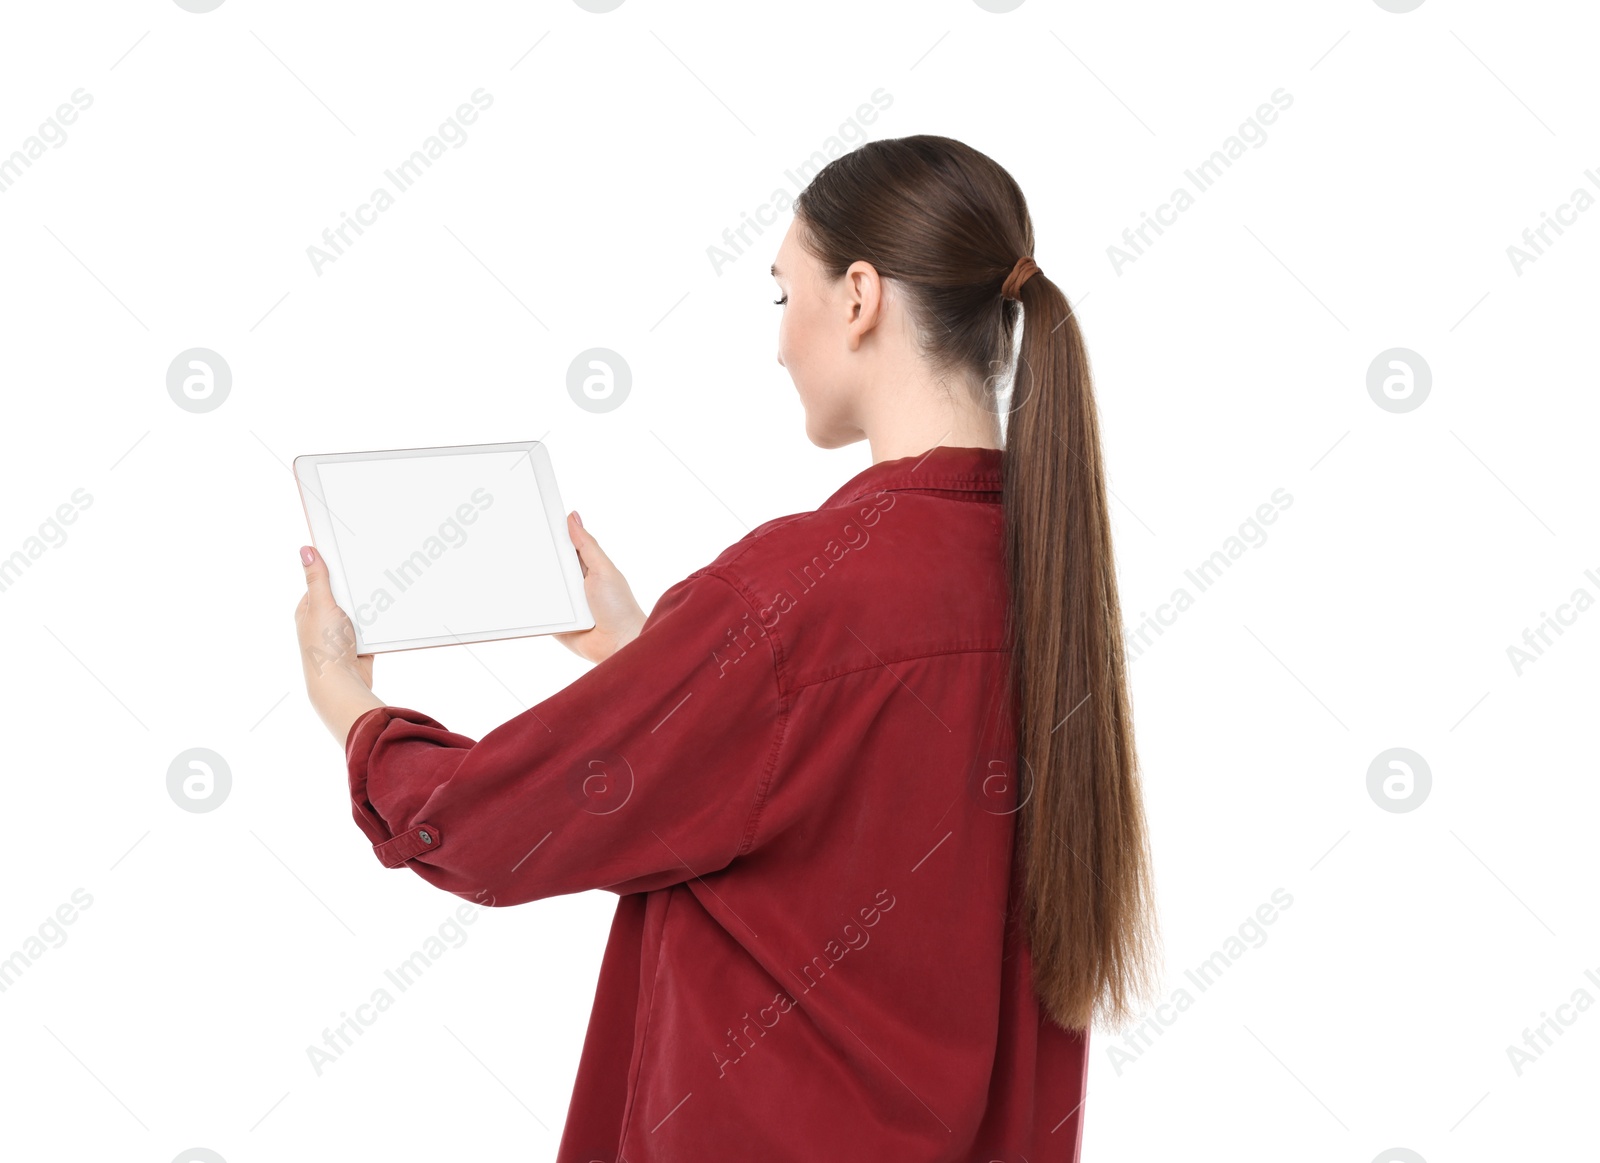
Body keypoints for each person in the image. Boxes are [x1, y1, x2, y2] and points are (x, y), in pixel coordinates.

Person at [294, 133, 1158, 1163]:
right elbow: (836, 799)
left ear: (860, 297)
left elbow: (487, 825)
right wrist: (646, 658)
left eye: (783, 296)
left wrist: (351, 704)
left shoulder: (795, 594)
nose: (779, 341)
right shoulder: (1047, 587)